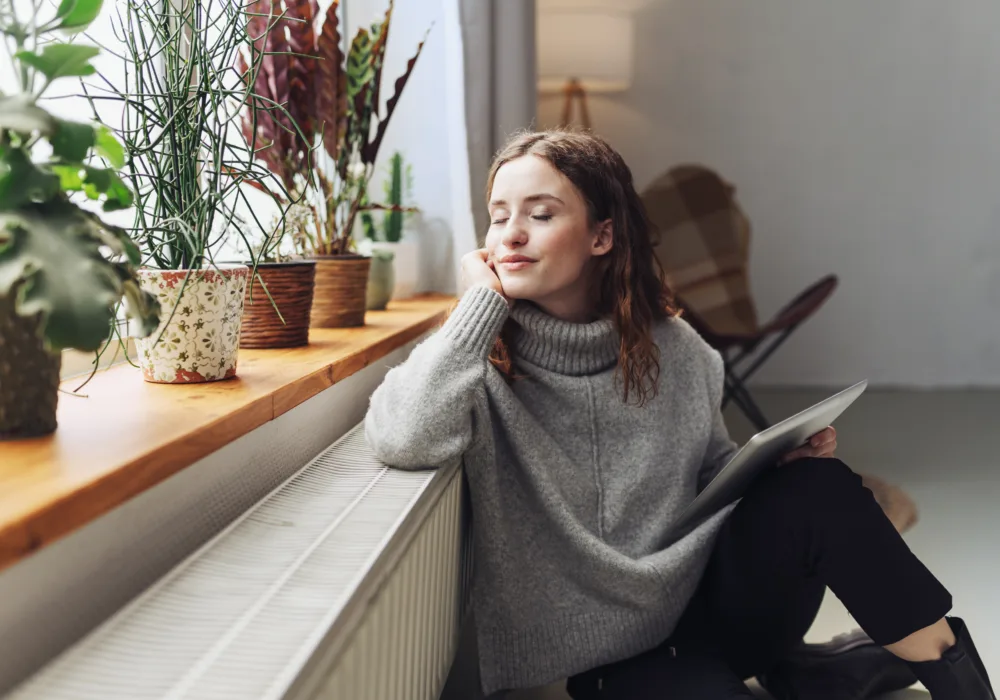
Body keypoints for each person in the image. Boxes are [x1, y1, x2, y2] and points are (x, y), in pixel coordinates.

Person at [363, 129, 994, 699]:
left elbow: (707, 473)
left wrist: (773, 470)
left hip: (706, 612)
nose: (511, 235)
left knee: (817, 487)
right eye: (499, 218)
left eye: (541, 214)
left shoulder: (675, 347)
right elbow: (400, 437)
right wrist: (476, 310)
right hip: (604, 662)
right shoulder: (473, 359)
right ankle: (815, 671)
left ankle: (958, 683)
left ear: (602, 236)